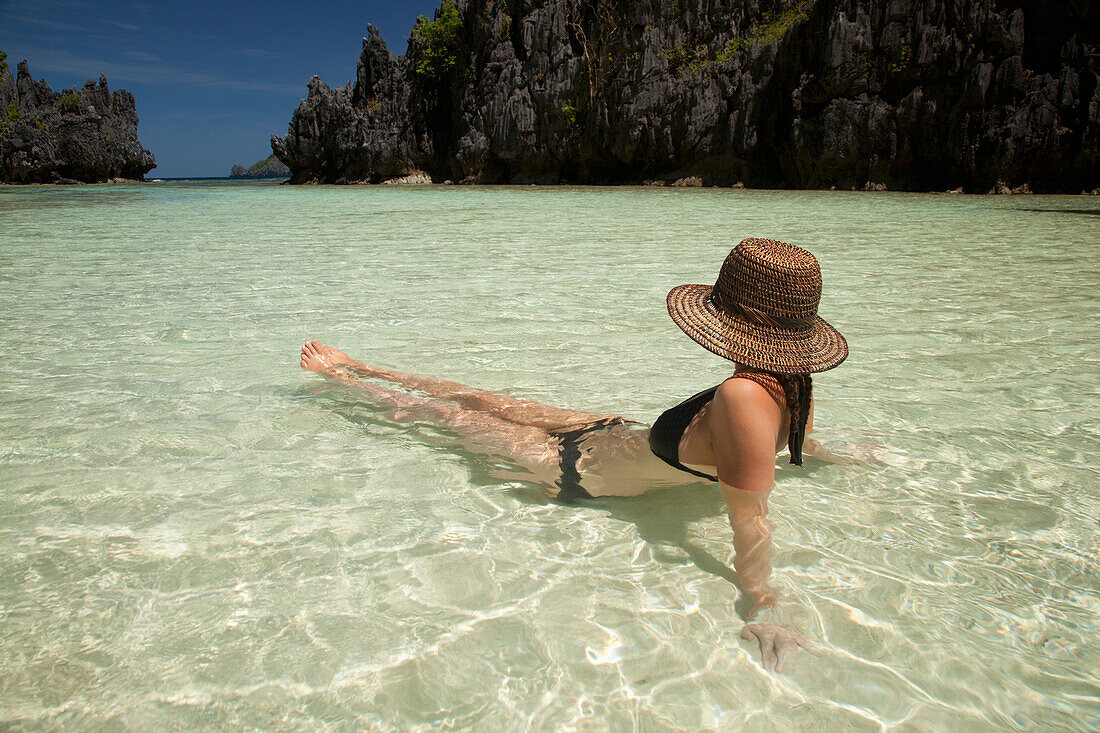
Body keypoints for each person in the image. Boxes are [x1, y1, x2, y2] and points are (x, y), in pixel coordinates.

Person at [299, 237, 849, 672]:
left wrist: (765, 603)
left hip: (578, 468)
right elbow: (767, 447)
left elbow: (750, 518)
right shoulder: (793, 379)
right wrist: (825, 455)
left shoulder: (743, 395)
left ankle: (345, 378)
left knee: (440, 415)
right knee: (476, 398)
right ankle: (363, 366)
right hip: (608, 434)